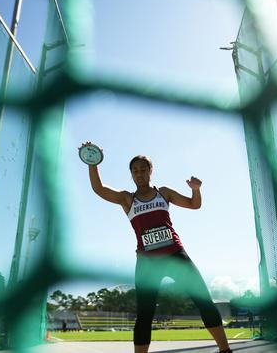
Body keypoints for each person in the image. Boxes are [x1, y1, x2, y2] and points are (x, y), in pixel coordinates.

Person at [83, 142, 232, 353]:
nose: (140, 173)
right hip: (147, 263)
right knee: (145, 315)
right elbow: (99, 189)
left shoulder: (164, 193)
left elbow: (194, 204)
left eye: (144, 169)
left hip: (175, 255)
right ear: (131, 175)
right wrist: (92, 161)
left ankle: (225, 350)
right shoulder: (128, 199)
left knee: (204, 302)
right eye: (135, 171)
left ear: (151, 171)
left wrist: (196, 190)